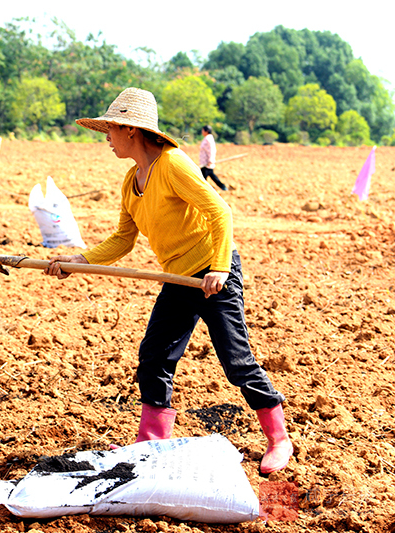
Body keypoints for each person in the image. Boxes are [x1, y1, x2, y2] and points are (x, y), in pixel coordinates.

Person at [43, 87, 292, 474]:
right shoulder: (131, 181)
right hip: (178, 279)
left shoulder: (173, 164)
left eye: (109, 129)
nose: (105, 137)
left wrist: (221, 268)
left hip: (213, 273)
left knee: (236, 361)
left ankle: (278, 438)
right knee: (155, 355)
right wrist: (78, 261)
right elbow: (123, 239)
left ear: (131, 130)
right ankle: (152, 440)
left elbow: (220, 212)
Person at [199, 125, 228, 191]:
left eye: (203, 130)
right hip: (205, 162)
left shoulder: (208, 139)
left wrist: (210, 160)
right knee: (211, 176)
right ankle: (222, 187)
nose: (202, 132)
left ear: (207, 131)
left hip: (207, 163)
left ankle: (202, 191)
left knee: (202, 178)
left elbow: (212, 150)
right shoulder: (207, 138)